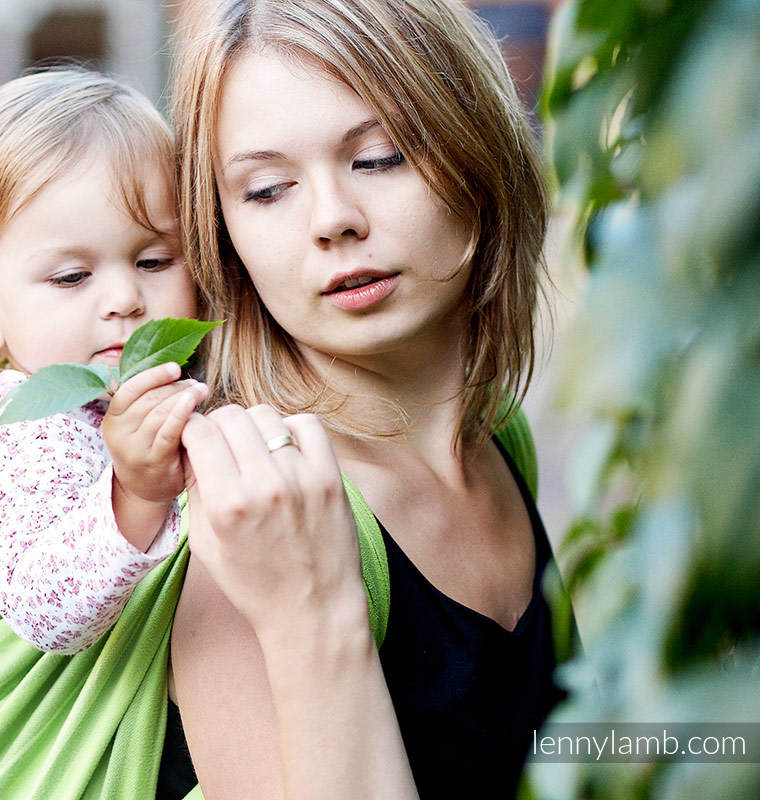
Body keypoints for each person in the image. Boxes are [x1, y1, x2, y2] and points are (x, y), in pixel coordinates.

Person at [165, 0, 569, 797]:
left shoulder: (495, 433)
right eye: (268, 189)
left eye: (379, 158)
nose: (332, 220)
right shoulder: (250, 515)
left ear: (476, 145)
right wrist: (311, 619)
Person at [0, 68, 206, 799]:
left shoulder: (138, 385)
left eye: (155, 260)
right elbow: (45, 608)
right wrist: (134, 494)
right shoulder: (26, 424)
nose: (126, 298)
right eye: (71, 277)